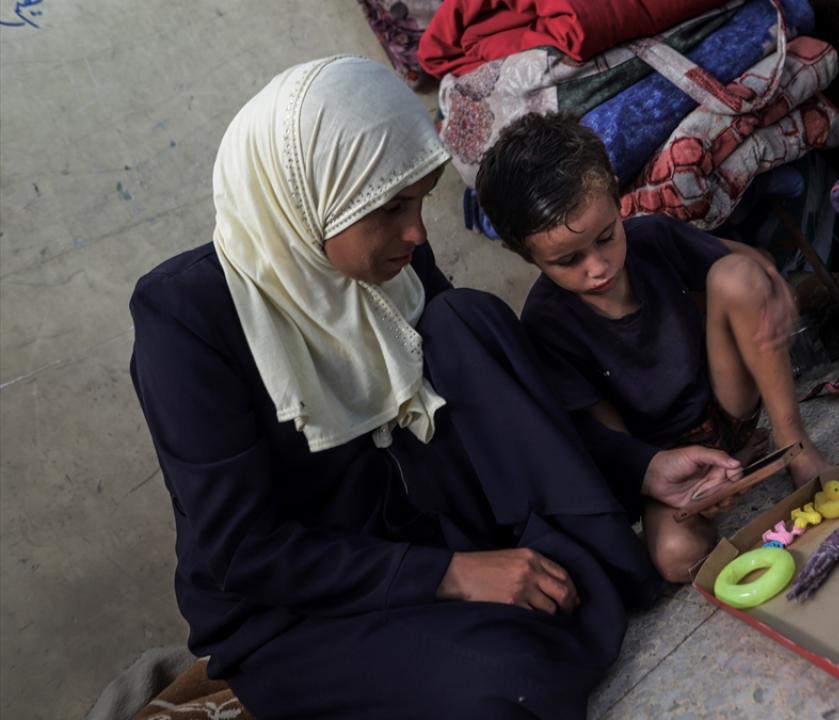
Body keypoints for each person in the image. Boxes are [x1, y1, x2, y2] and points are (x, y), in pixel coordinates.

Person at [128, 56, 739, 720]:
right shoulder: (185, 319)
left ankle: (586, 564)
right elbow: (245, 551)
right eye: (392, 207)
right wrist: (452, 575)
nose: (418, 232)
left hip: (433, 527)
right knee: (509, 680)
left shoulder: (397, 262)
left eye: (419, 199)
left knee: (463, 322)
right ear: (311, 200)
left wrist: (643, 466)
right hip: (304, 611)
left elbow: (496, 413)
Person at [475, 112, 835, 584]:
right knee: (675, 558)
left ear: (616, 200)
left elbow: (746, 266)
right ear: (527, 255)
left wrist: (773, 285)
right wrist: (674, 486)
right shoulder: (547, 325)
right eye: (569, 260)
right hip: (666, 462)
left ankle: (793, 443)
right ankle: (740, 462)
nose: (598, 267)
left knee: (736, 278)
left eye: (607, 237)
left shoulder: (653, 238)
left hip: (726, 402)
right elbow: (614, 441)